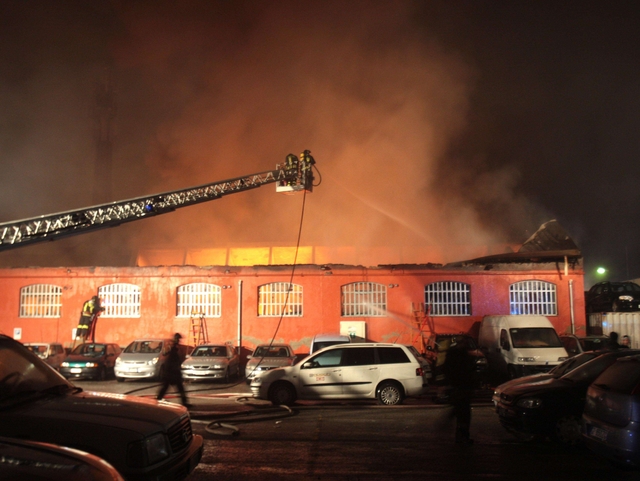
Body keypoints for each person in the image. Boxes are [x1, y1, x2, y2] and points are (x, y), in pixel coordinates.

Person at [441, 337, 476, 444]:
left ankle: (460, 436)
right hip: (463, 387)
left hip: (457, 387)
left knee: (460, 412)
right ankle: (463, 437)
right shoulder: (463, 355)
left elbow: (446, 370)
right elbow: (469, 372)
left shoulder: (452, 355)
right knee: (464, 414)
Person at [157, 333, 190, 408]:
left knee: (177, 387)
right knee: (166, 388)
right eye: (178, 339)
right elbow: (166, 354)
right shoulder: (171, 346)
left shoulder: (175, 347)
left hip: (173, 371)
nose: (179, 341)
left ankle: (184, 402)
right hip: (170, 371)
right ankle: (158, 400)